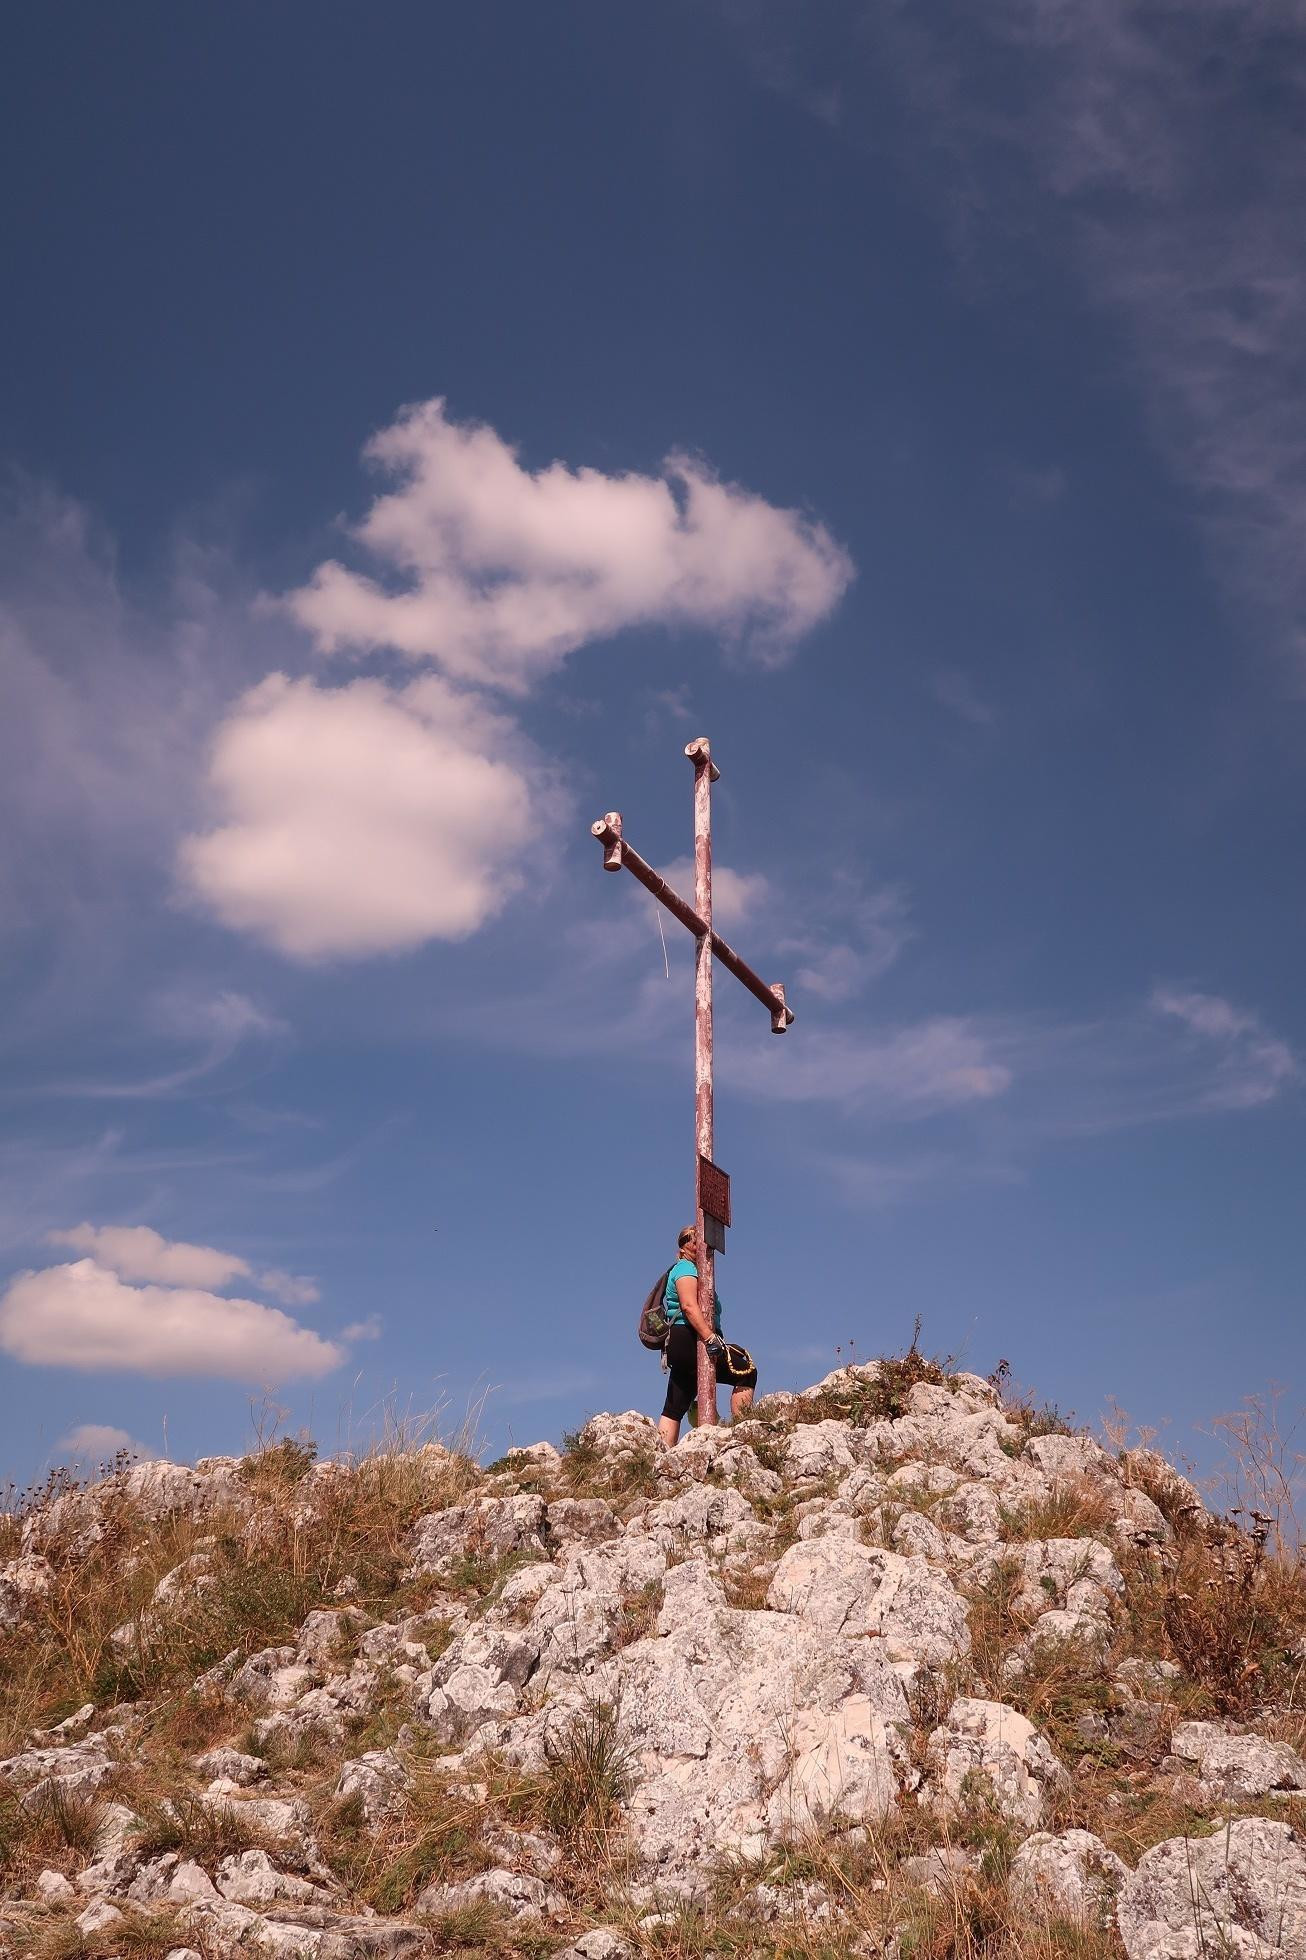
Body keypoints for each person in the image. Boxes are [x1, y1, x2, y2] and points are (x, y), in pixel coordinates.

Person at [657, 1224, 758, 1447]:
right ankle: (744, 1431)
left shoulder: (688, 1269)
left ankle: (661, 1454)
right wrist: (710, 1337)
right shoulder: (686, 1269)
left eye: (700, 1239)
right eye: (693, 1240)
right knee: (745, 1371)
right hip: (690, 1338)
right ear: (683, 1247)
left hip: (682, 1342)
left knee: (674, 1407)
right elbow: (689, 1306)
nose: (698, 1244)